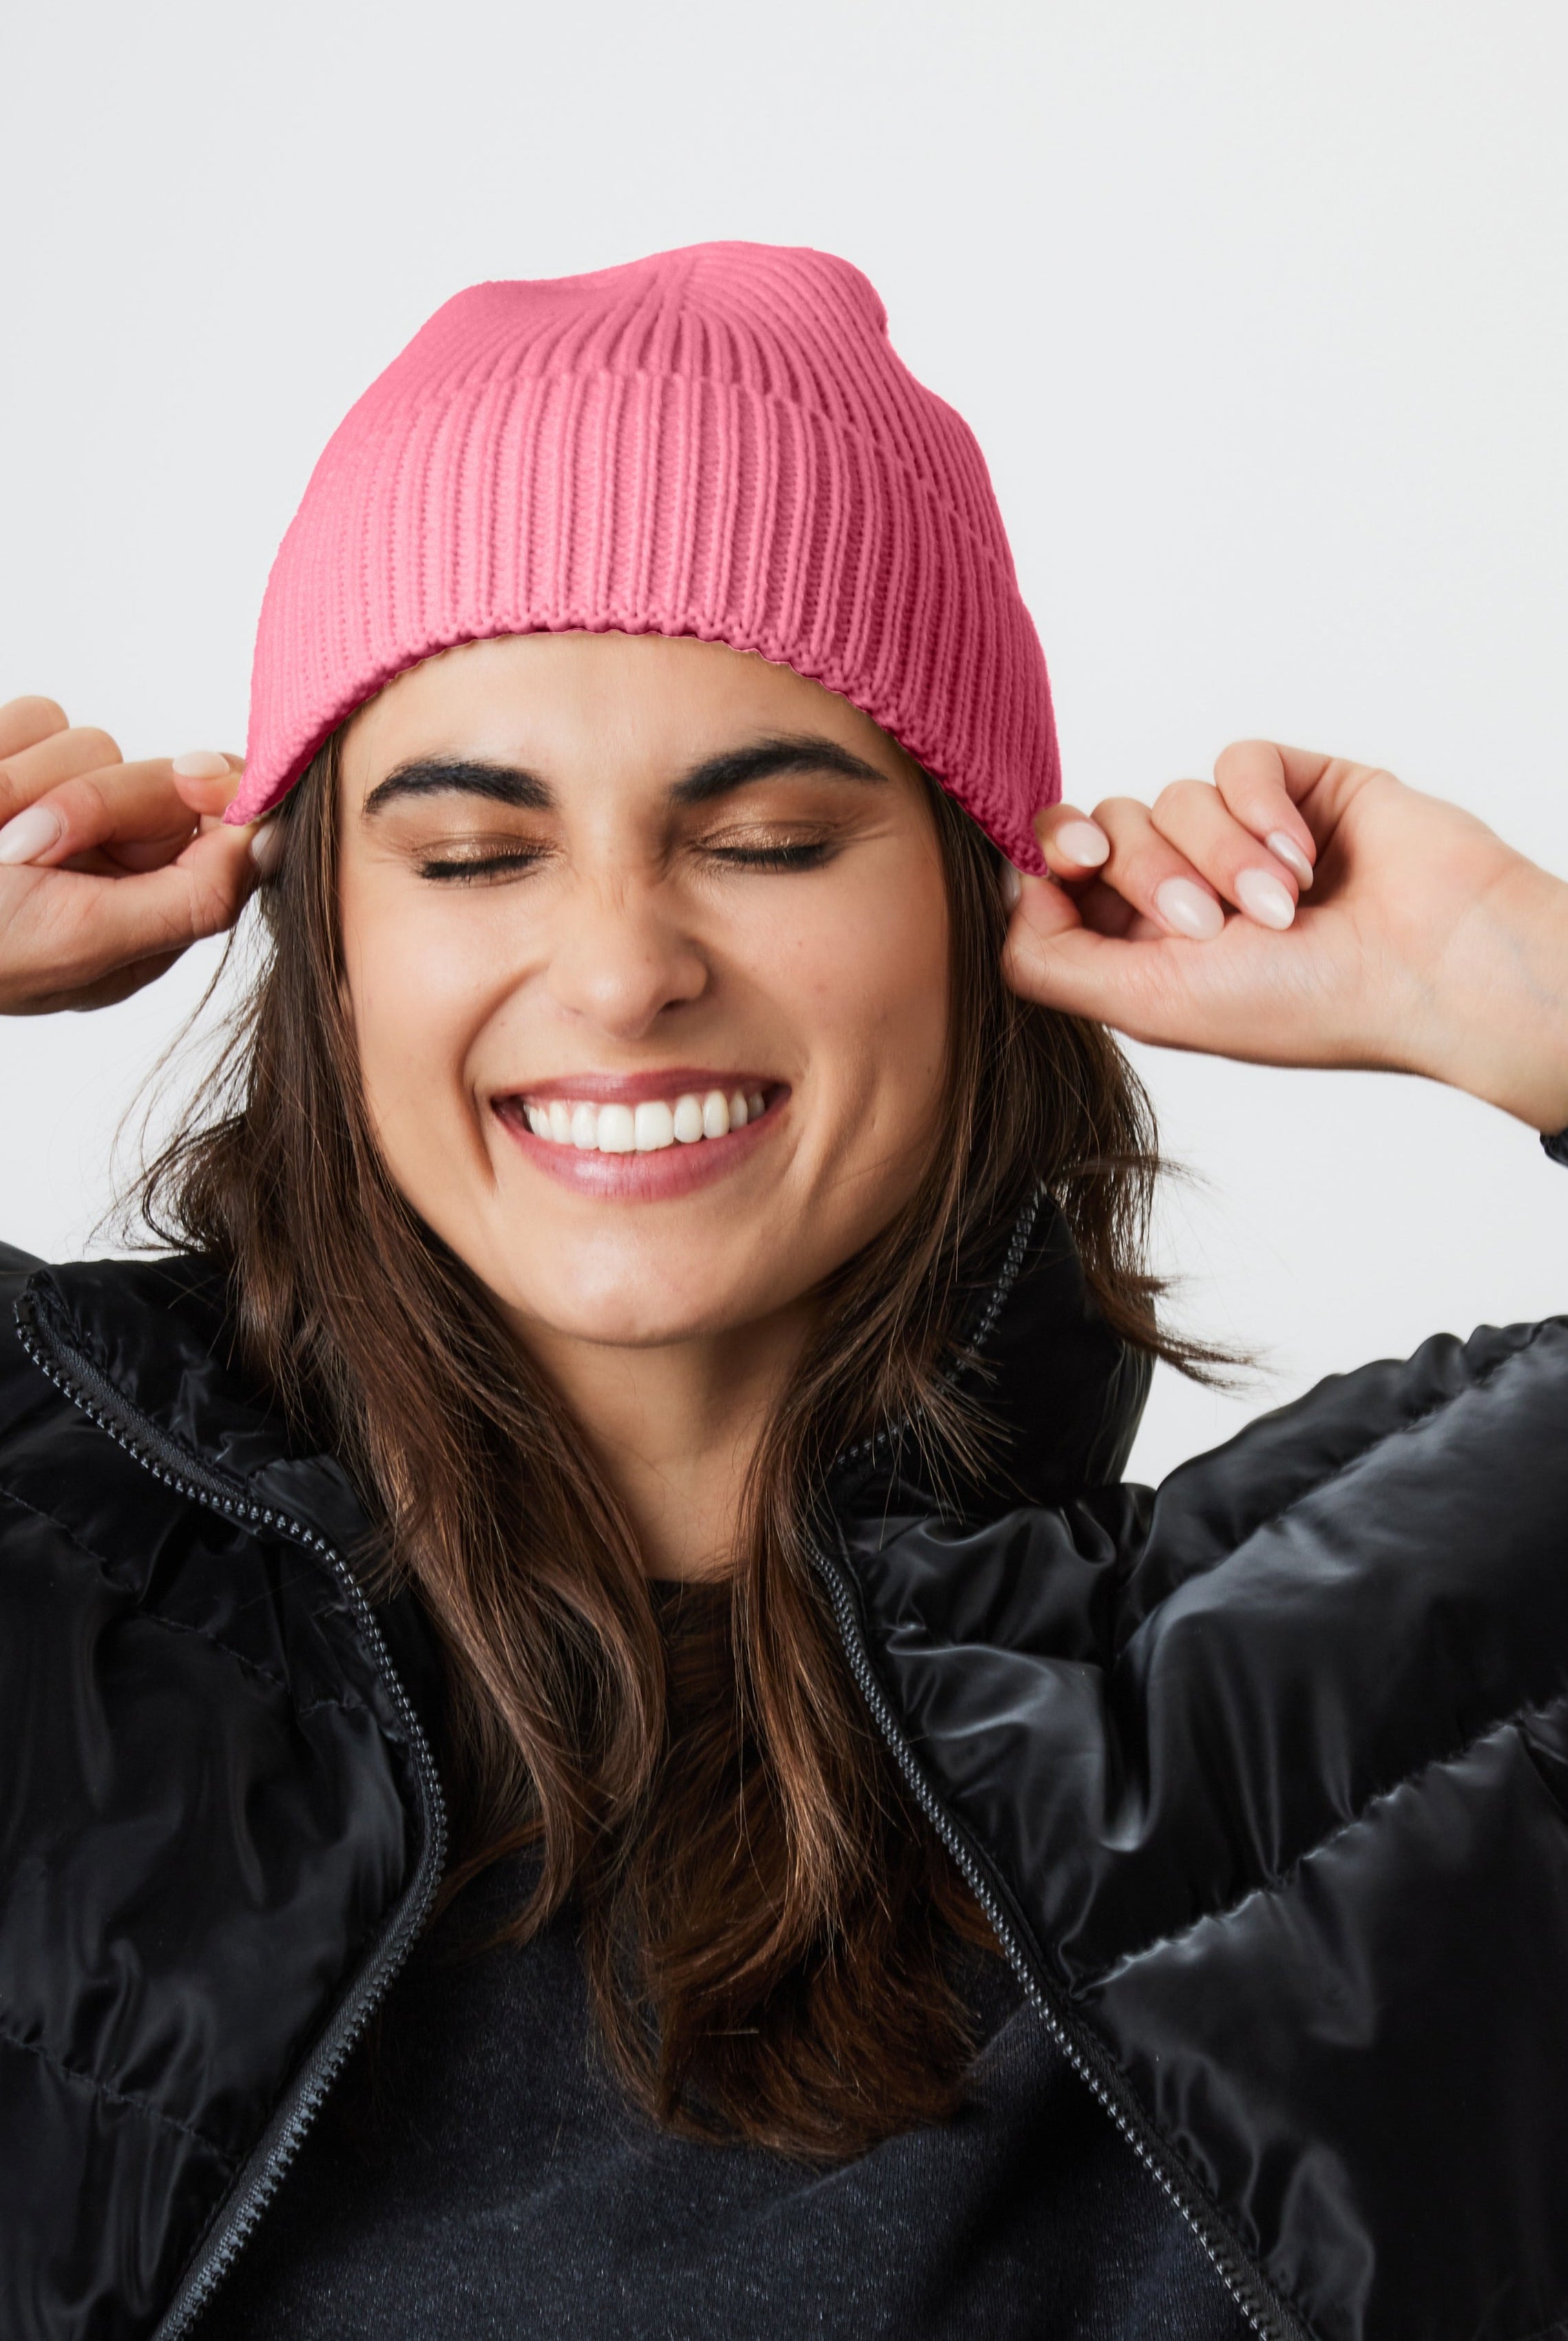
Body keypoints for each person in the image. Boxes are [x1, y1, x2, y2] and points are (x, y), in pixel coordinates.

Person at [2, 243, 1567, 2341]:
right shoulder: (43, 1618)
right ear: (331, 947)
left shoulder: (1378, 1697)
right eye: (474, 856)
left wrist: (1523, 989)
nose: (626, 967)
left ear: (974, 900)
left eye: (770, 840)